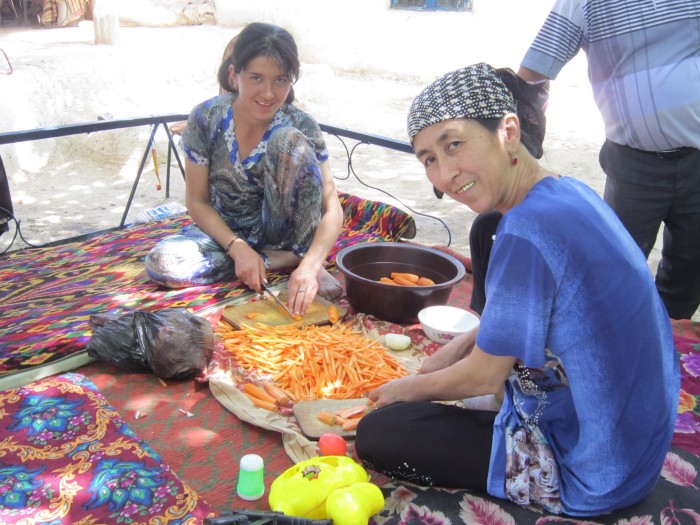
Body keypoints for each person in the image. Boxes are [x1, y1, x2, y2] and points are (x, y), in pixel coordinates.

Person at [355, 63, 679, 516]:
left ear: (507, 131)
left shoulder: (526, 232)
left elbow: (482, 377)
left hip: (592, 465)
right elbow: (518, 315)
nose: (445, 174)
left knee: (383, 432)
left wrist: (406, 389)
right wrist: (449, 353)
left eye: (455, 145)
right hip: (638, 444)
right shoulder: (567, 191)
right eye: (429, 158)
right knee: (488, 226)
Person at [516, 0, 700, 320]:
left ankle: (668, 354)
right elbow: (532, 74)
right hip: (634, 165)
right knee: (614, 272)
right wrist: (526, 141)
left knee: (690, 270)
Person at [146, 22, 344, 315]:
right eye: (255, 78)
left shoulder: (300, 124)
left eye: (280, 80)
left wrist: (312, 263)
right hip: (224, 233)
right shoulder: (206, 117)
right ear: (233, 75)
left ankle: (299, 258)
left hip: (281, 234)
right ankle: (278, 260)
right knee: (163, 263)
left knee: (289, 140)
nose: (268, 93)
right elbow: (197, 202)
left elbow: (332, 207)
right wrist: (238, 248)